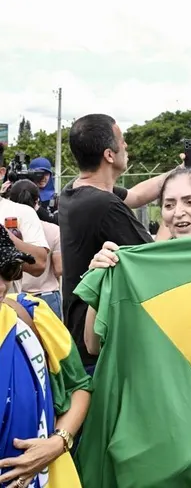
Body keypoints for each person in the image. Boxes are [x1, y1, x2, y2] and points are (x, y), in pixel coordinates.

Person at [58, 114, 191, 371]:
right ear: (109, 155)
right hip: (99, 345)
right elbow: (154, 259)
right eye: (122, 141)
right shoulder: (104, 206)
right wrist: (173, 218)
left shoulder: (74, 190)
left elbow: (137, 195)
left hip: (79, 335)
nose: (126, 146)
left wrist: (179, 174)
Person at [0, 224, 92, 488]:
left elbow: (79, 386)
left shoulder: (33, 316)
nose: (2, 286)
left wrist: (57, 442)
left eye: (8, 272)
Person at [9, 180, 63, 318]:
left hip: (16, 297)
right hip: (47, 297)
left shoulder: (8, 230)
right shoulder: (53, 229)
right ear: (37, 201)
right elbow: (59, 269)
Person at [0, 148, 50, 288]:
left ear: (1, 172)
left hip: (6, 305)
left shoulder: (21, 212)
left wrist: (6, 238)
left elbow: (39, 264)